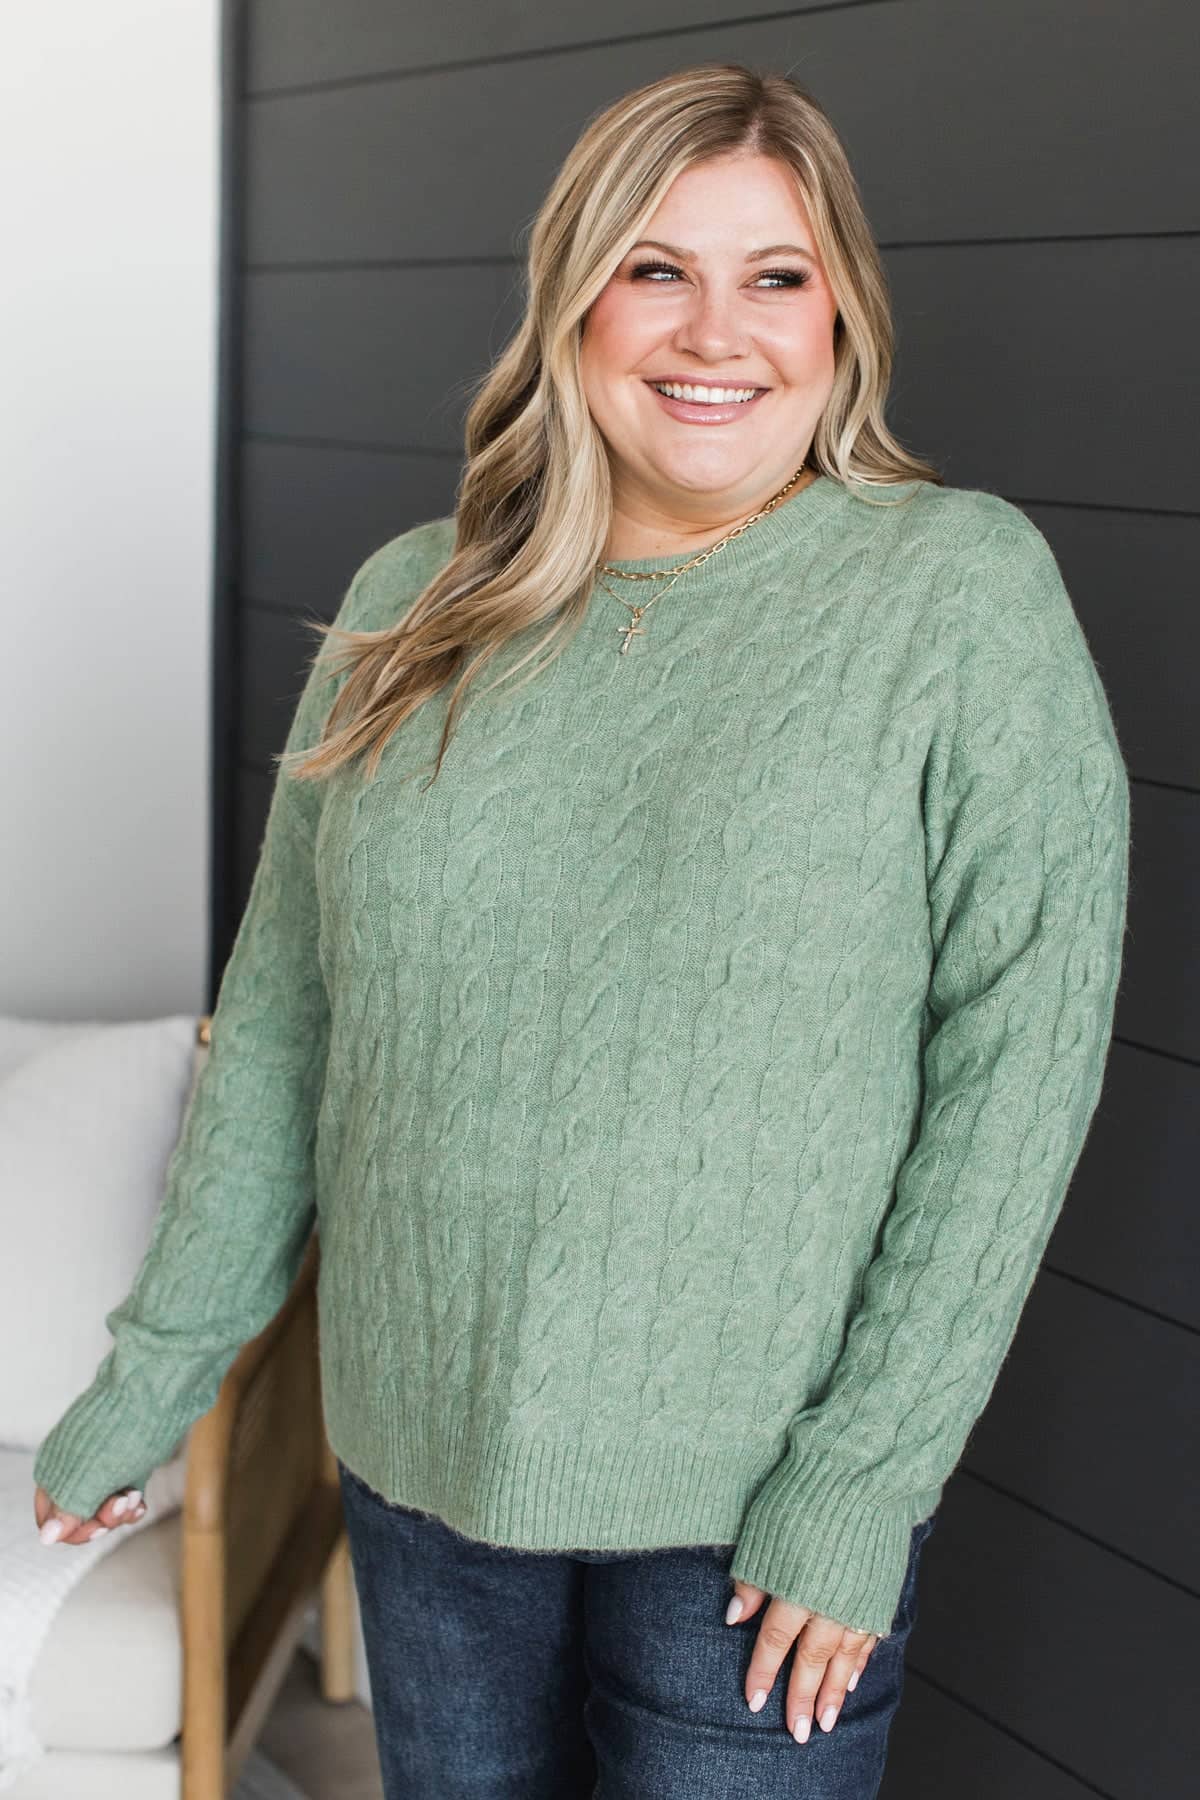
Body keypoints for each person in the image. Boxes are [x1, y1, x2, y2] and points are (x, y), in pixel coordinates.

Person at [32, 63, 1130, 1799]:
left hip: (748, 1531)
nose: (716, 332)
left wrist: (865, 1475)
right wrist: (154, 1371)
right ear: (572, 301)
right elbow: (289, 1028)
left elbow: (1020, 1068)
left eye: (776, 274)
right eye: (654, 268)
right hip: (422, 1481)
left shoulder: (955, 595)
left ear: (842, 312)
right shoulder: (413, 602)